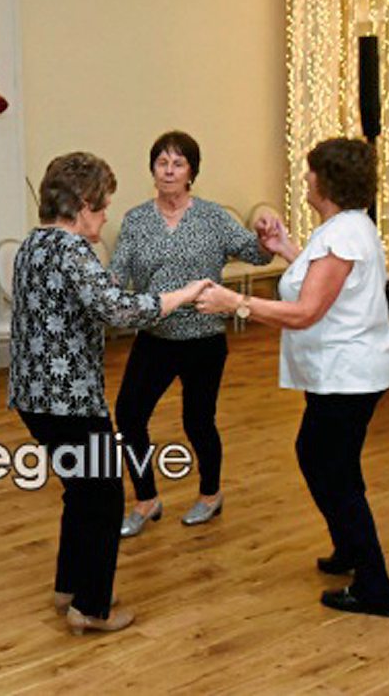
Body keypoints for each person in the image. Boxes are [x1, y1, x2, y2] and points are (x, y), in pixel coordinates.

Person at [196, 137, 389, 617]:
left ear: (328, 181)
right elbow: (321, 281)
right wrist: (284, 247)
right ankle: (349, 550)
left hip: (348, 375)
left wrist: (235, 302)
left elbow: (307, 311)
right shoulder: (346, 228)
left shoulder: (343, 235)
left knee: (331, 469)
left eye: (311, 171)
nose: (306, 178)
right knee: (328, 462)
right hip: (344, 373)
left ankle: (375, 587)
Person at [8, 152, 207, 635]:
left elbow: (78, 300)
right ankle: (92, 608)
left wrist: (111, 285)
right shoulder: (72, 250)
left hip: (34, 398)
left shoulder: (32, 244)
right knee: (102, 498)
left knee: (82, 492)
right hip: (69, 400)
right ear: (82, 205)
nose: (105, 215)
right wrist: (183, 294)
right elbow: (119, 311)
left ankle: (71, 588)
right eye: (102, 206)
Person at [109, 130, 272, 537]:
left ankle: (210, 494)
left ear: (191, 172)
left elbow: (256, 253)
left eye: (178, 163)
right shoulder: (136, 220)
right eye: (162, 162)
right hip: (155, 336)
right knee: (129, 416)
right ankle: (146, 499)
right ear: (152, 169)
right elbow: (117, 273)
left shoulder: (212, 217)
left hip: (204, 339)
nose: (168, 170)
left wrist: (267, 235)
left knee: (198, 421)